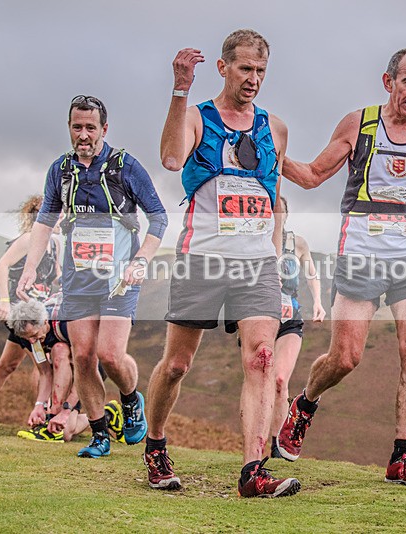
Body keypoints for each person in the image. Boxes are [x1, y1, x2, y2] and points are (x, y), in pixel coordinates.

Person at [276, 49, 406, 487]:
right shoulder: (359, 125)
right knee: (346, 358)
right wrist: (271, 155)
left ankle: (402, 456)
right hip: (360, 250)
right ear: (388, 81)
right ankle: (304, 404)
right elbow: (313, 174)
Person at [144, 29, 299, 498]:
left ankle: (253, 471)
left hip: (257, 264)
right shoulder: (197, 116)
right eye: (246, 69)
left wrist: (273, 254)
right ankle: (154, 445)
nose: (253, 79)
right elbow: (171, 159)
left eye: (261, 71)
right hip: (203, 259)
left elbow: (273, 197)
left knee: (263, 358)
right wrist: (179, 89)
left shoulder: (275, 128)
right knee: (176, 365)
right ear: (224, 67)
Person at [17, 95, 168, 458]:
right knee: (83, 357)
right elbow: (45, 221)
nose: (83, 135)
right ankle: (99, 435)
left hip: (119, 279)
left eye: (90, 127)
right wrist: (30, 266)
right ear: (69, 128)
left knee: (111, 356)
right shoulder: (61, 170)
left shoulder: (125, 167)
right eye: (76, 127)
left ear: (104, 128)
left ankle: (132, 399)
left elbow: (159, 217)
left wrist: (142, 260)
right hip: (78, 281)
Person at [0, 195, 61, 422]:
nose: (62, 219)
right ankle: (45, 412)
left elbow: (57, 278)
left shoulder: (55, 244)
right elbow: (2, 265)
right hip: (23, 318)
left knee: (8, 364)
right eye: (58, 215)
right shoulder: (29, 240)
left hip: (41, 313)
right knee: (44, 366)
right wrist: (4, 301)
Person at [7, 298, 126, 443]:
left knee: (60, 349)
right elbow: (45, 372)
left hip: (92, 365)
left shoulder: (66, 323)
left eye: (33, 336)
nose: (32, 342)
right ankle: (109, 414)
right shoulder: (29, 334)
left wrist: (65, 411)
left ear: (45, 321)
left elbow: (86, 371)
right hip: (67, 368)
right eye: (27, 338)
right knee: (65, 433)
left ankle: (53, 420)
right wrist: (39, 405)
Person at [268, 196, 326, 459]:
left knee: (280, 380)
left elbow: (311, 273)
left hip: (290, 318)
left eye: (280, 212)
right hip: (260, 318)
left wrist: (318, 302)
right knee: (262, 381)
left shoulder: (297, 243)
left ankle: (277, 444)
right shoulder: (257, 242)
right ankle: (256, 442)